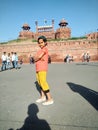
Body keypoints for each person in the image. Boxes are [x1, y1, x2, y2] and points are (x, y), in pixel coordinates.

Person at [34, 36, 54, 105]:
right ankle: (43, 97)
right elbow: (35, 58)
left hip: (42, 68)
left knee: (43, 82)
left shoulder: (45, 49)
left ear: (45, 42)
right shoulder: (39, 50)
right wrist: (38, 58)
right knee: (39, 82)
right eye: (39, 43)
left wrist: (38, 58)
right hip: (38, 68)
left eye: (42, 42)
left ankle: (50, 98)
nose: (40, 44)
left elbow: (37, 57)